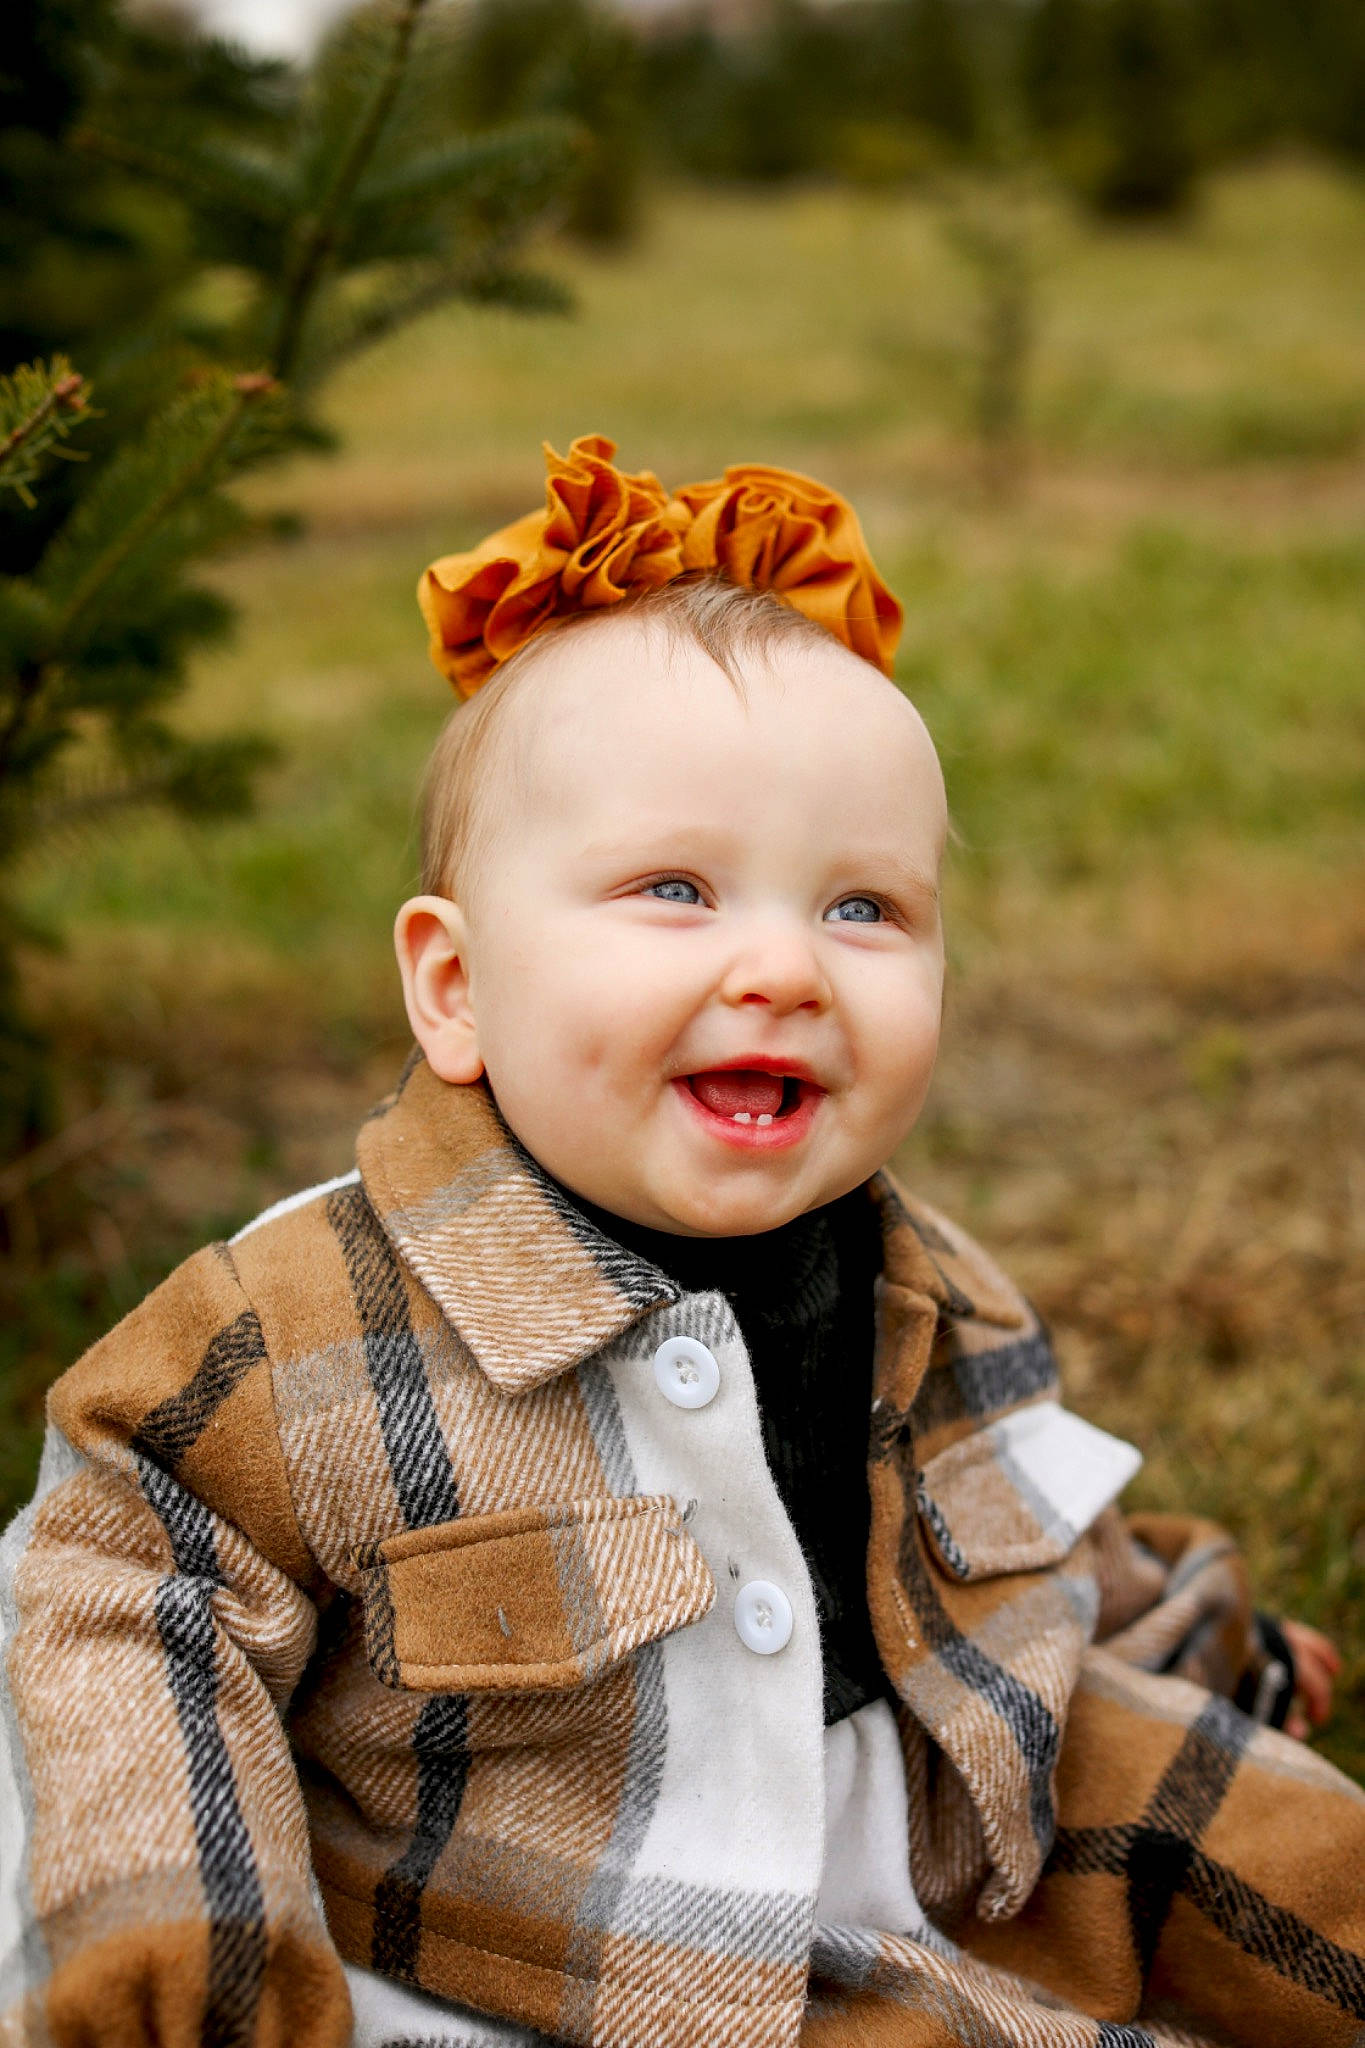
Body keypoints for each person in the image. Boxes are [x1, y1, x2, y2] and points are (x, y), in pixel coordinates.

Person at [0, 436, 1360, 2048]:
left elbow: (1023, 1544)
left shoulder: (921, 1282)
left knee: (1287, 1849)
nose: (784, 968)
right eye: (674, 890)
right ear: (457, 988)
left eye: (862, 909)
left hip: (943, 1817)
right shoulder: (300, 1331)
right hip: (554, 1940)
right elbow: (119, 1612)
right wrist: (186, 1951)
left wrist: (1215, 1649)